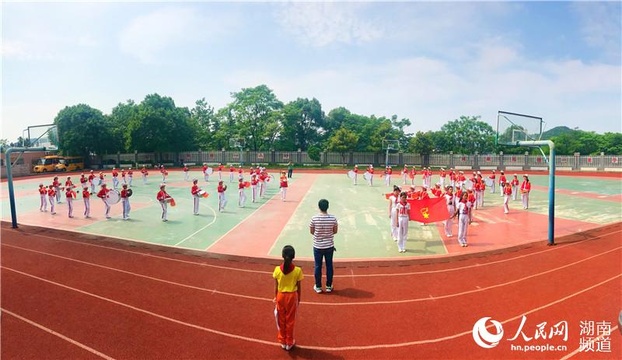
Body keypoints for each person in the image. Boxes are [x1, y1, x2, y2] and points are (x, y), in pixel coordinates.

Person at [272, 245, 303, 351]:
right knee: (290, 320)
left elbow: (276, 286)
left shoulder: (277, 270)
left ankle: (282, 340)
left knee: (281, 319)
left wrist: (275, 297)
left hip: (280, 296)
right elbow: (299, 287)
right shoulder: (298, 270)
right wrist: (299, 299)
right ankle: (289, 342)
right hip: (292, 296)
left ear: (282, 256)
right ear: (293, 256)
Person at [309, 199, 338, 293]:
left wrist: (319, 235)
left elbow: (312, 231)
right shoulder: (333, 218)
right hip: (329, 245)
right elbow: (335, 231)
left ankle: (318, 286)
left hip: (317, 246)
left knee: (318, 266)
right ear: (327, 207)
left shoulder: (314, 218)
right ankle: (329, 286)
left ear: (319, 207)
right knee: (329, 265)